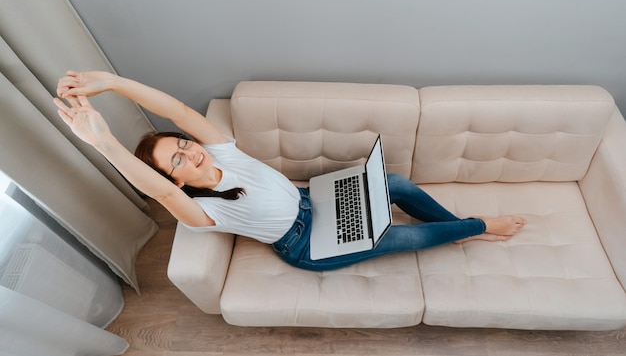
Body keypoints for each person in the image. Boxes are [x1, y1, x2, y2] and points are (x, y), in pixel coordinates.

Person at [54, 70, 526, 271]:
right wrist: (103, 141)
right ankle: (475, 229)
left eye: (184, 145)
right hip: (304, 244)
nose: (190, 152)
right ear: (175, 179)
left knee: (396, 185)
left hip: (312, 199)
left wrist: (114, 84)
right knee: (399, 239)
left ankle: (454, 225)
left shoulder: (220, 153)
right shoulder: (198, 213)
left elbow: (176, 109)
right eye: (178, 160)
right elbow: (159, 193)